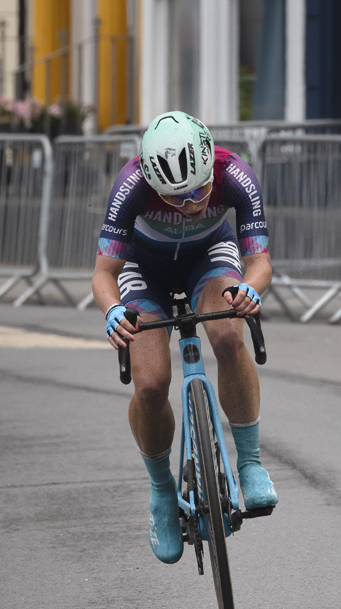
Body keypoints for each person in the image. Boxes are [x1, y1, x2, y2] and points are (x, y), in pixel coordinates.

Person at [93, 110, 277, 565]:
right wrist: (114, 310)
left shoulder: (235, 173)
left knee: (226, 334)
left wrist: (251, 287)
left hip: (208, 256)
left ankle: (250, 463)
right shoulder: (131, 186)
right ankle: (162, 492)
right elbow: (103, 274)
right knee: (151, 383)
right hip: (144, 269)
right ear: (154, 185)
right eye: (176, 199)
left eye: (199, 190)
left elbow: (261, 262)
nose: (192, 205)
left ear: (209, 166)